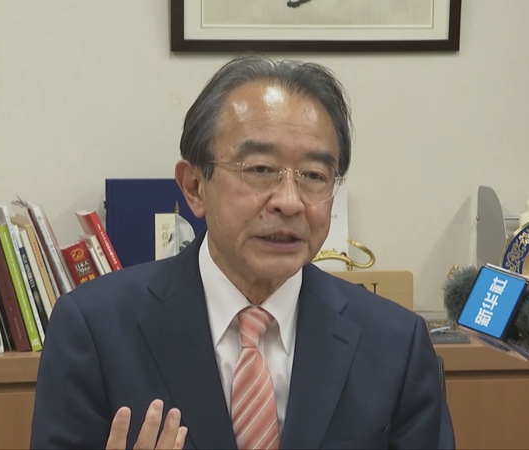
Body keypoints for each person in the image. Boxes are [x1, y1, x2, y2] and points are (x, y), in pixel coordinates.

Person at [30, 54, 454, 449]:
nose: (289, 202)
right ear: (195, 186)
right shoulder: (94, 331)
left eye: (313, 175)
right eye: (260, 170)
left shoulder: (395, 344)